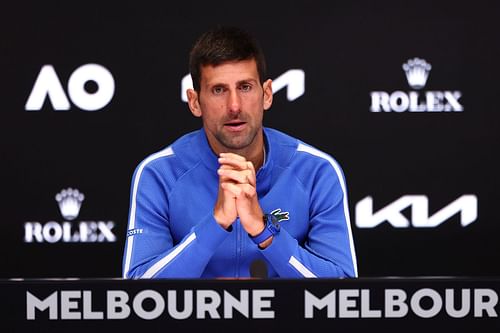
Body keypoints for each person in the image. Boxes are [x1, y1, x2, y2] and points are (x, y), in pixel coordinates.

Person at [122, 26, 357, 279]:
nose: (234, 106)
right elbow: (137, 294)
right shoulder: (159, 173)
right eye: (218, 90)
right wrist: (216, 223)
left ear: (266, 94)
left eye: (245, 87)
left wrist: (264, 230)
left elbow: (342, 293)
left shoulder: (316, 171)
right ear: (194, 102)